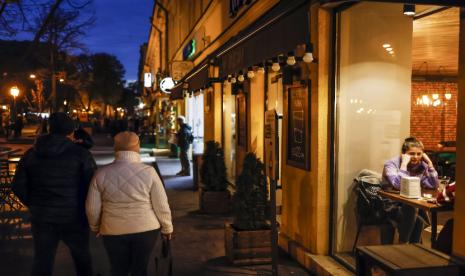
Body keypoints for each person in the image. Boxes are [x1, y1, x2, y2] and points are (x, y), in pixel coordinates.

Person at [12, 112, 97, 276]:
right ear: (71, 131)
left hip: (42, 216)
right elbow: (93, 186)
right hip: (74, 217)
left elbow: (18, 185)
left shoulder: (31, 154)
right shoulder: (81, 154)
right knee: (82, 259)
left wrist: (34, 203)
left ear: (49, 129)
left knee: (42, 261)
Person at [86, 131, 173, 276]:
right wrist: (167, 228)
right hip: (146, 229)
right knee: (140, 268)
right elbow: (161, 204)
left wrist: (95, 226)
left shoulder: (101, 173)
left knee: (118, 269)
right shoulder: (149, 172)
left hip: (113, 230)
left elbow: (92, 207)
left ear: (115, 148)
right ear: (137, 147)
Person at [382, 137, 439, 243]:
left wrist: (430, 164)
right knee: (415, 212)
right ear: (404, 154)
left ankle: (409, 246)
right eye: (412, 154)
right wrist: (403, 164)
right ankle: (406, 244)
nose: (416, 157)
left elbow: (433, 185)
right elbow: (397, 185)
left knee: (415, 210)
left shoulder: (422, 165)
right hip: (390, 203)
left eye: (419, 154)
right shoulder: (391, 164)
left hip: (412, 203)